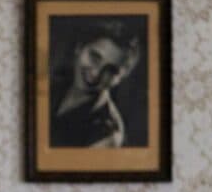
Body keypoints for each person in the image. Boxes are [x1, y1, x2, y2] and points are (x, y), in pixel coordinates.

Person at [49, 19, 143, 148]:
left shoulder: (106, 136)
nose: (96, 74)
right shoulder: (52, 81)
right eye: (95, 57)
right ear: (79, 47)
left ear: (120, 79)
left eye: (110, 70)